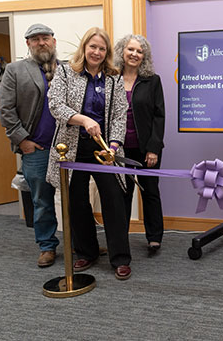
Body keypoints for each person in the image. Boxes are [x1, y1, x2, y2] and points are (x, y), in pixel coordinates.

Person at [46, 27, 133, 280]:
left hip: (104, 148)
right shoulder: (64, 72)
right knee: (76, 201)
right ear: (84, 48)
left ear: (107, 53)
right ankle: (86, 251)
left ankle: (120, 258)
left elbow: (119, 115)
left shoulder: (114, 79)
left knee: (114, 200)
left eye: (102, 48)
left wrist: (114, 146)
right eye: (92, 46)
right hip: (71, 148)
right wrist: (82, 119)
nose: (96, 52)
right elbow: (55, 105)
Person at [0, 23, 59, 267]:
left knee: (75, 200)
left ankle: (81, 244)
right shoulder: (15, 70)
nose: (41, 42)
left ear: (54, 41)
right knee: (42, 201)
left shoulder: (67, 69)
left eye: (45, 38)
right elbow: (5, 109)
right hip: (37, 150)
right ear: (28, 44)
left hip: (67, 149)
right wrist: (22, 141)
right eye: (35, 39)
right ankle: (47, 246)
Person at [114, 34, 165, 254]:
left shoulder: (152, 80)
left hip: (147, 150)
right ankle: (120, 237)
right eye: (131, 50)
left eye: (139, 51)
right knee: (122, 194)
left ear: (144, 56)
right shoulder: (110, 78)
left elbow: (159, 116)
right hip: (119, 149)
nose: (134, 54)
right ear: (122, 52)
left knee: (150, 193)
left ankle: (154, 238)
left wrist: (154, 148)